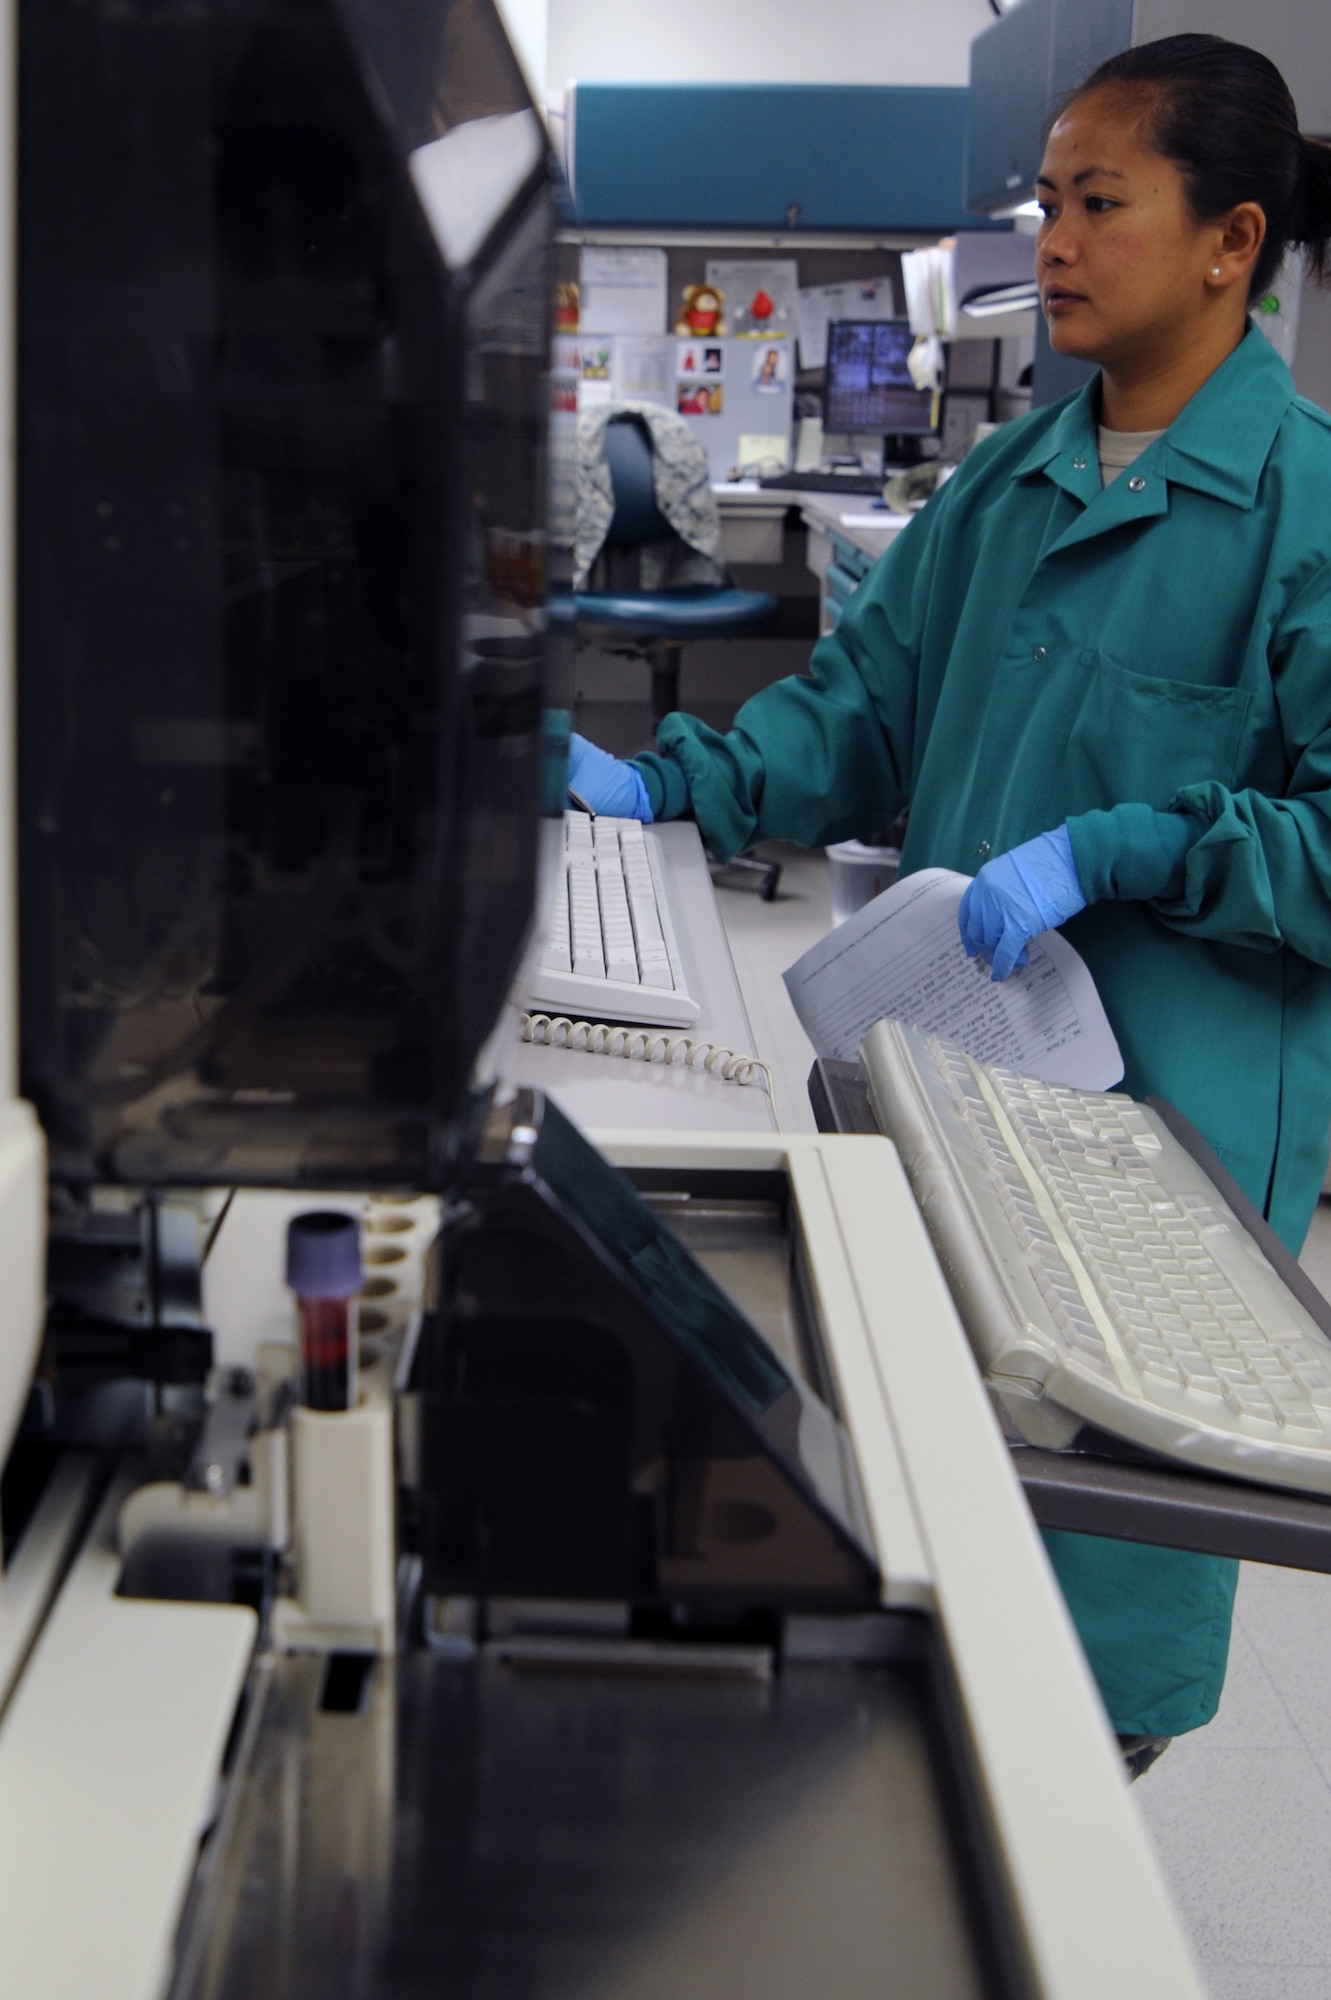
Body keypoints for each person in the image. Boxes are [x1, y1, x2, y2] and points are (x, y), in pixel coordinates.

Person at [567, 33, 1331, 1768]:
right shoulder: (1008, 481)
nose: (1052, 240)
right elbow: (856, 716)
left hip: (1156, 1164)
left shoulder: (1310, 514)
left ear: (1232, 241)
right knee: (922, 1557)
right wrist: (667, 783)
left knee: (1077, 1636)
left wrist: (1138, 848)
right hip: (951, 1083)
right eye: (1047, 199)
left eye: (1100, 201)